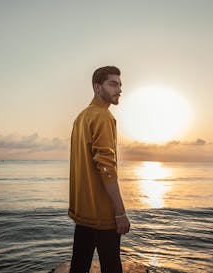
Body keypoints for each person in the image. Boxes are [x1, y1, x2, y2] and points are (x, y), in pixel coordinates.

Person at [68, 66, 130, 273]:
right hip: (103, 214)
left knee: (79, 265)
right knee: (111, 266)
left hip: (83, 211)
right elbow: (106, 167)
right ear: (97, 87)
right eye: (113, 84)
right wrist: (120, 213)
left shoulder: (81, 118)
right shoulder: (103, 117)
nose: (119, 89)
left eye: (120, 84)